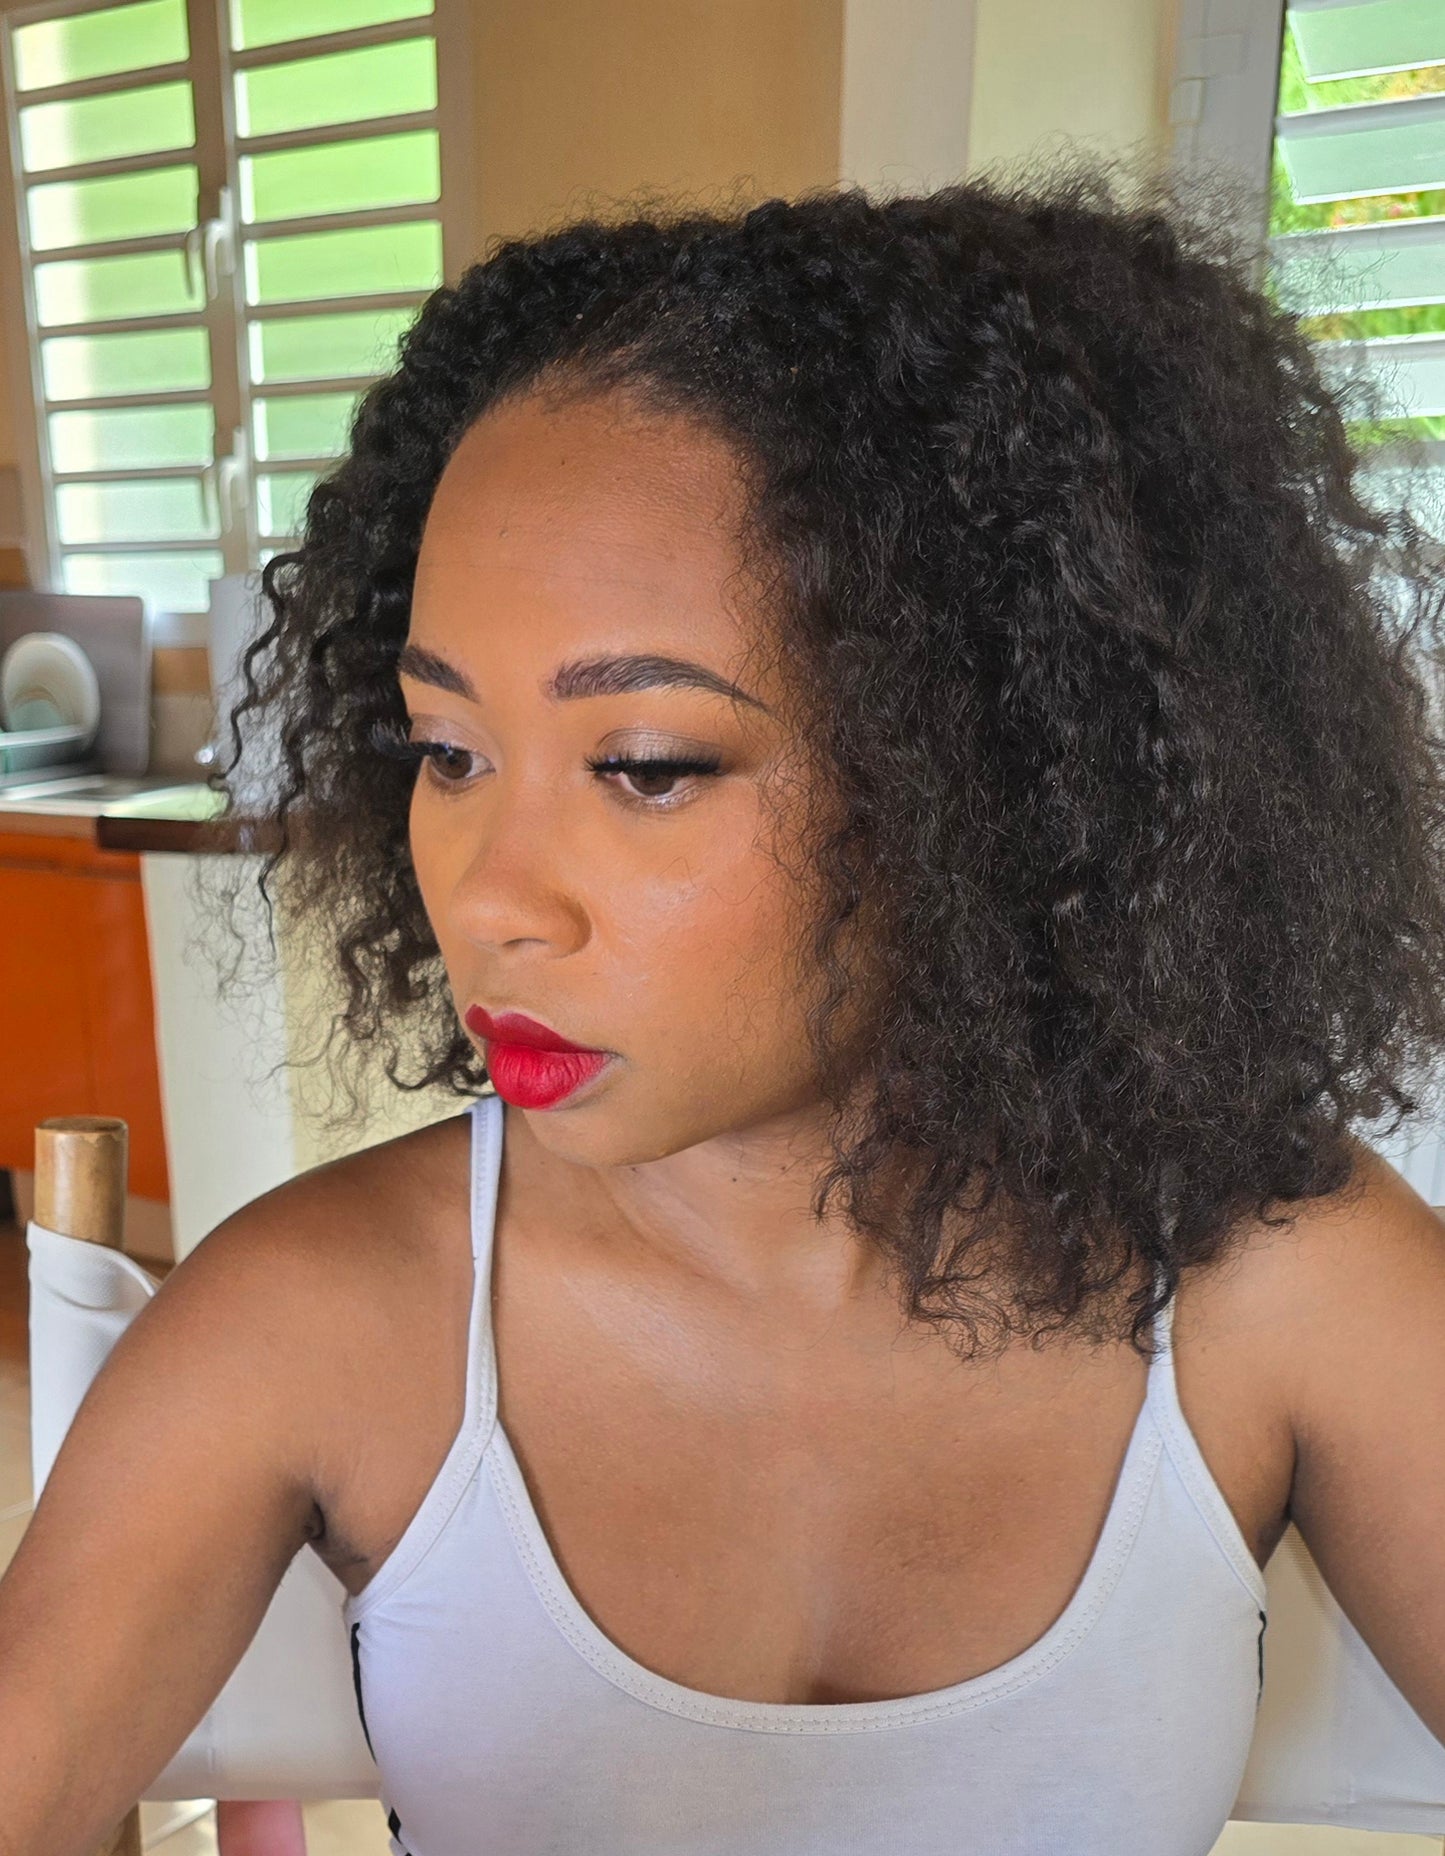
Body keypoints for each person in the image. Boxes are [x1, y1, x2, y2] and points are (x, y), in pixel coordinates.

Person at [4, 157, 1445, 1856]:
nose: (488, 898)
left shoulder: (1280, 1282)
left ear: (998, 777)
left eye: (644, 765)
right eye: (446, 751)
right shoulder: (316, 1316)